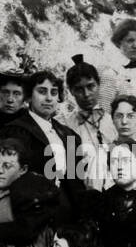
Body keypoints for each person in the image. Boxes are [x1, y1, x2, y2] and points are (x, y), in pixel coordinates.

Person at [6, 68, 86, 211]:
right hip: (30, 210)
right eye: (42, 92)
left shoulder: (69, 135)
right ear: (29, 96)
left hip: (65, 210)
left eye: (54, 93)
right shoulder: (16, 131)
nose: (49, 98)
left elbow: (76, 184)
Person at [63, 55, 116, 191]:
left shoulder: (113, 121)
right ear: (71, 91)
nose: (86, 94)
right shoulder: (66, 125)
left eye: (91, 86)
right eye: (79, 89)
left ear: (99, 85)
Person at [97, 17, 136, 122]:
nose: (135, 45)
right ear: (118, 43)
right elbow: (105, 116)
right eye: (130, 41)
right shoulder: (111, 74)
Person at [0, 58, 30, 130]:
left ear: (24, 97)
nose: (10, 99)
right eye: (5, 92)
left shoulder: (30, 130)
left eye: (16, 94)